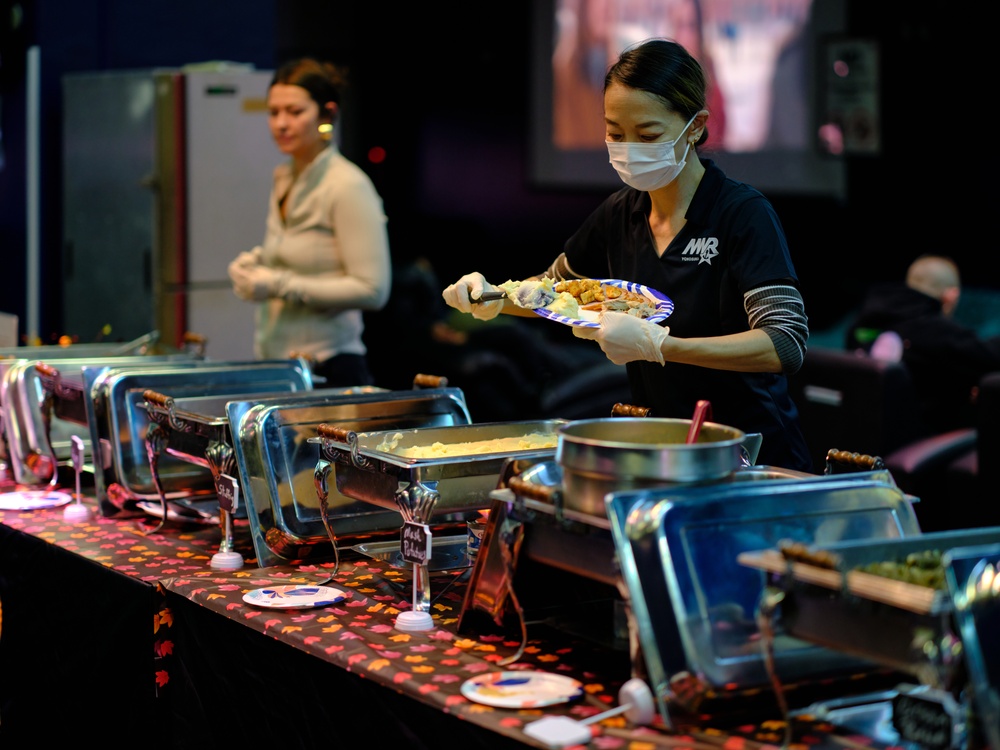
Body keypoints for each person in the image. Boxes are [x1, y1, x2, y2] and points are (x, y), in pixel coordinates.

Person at [442, 38, 811, 472]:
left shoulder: (741, 214)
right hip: (664, 447)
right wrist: (493, 297)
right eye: (615, 133)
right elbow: (555, 294)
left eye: (648, 134)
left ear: (695, 126)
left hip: (749, 453)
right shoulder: (621, 212)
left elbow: (784, 343)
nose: (629, 148)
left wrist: (662, 346)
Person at [228, 57, 391, 387]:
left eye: (295, 111)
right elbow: (300, 251)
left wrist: (276, 284)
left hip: (330, 365)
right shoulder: (285, 175)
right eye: (274, 112)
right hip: (280, 363)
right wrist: (256, 263)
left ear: (326, 114)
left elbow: (373, 290)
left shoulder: (347, 184)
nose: (281, 123)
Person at [845, 254, 1000, 432]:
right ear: (951, 296)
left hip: (865, 434)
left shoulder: (863, 322)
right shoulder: (934, 331)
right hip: (920, 440)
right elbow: (989, 357)